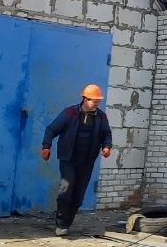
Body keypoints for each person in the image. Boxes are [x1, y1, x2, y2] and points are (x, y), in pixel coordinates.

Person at [41, 84, 113, 237]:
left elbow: (106, 134)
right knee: (66, 189)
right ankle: (60, 223)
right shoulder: (70, 113)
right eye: (94, 101)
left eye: (98, 101)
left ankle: (67, 222)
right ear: (85, 99)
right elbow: (52, 129)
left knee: (78, 195)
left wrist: (107, 146)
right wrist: (46, 146)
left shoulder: (101, 117)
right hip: (68, 159)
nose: (96, 104)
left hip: (87, 161)